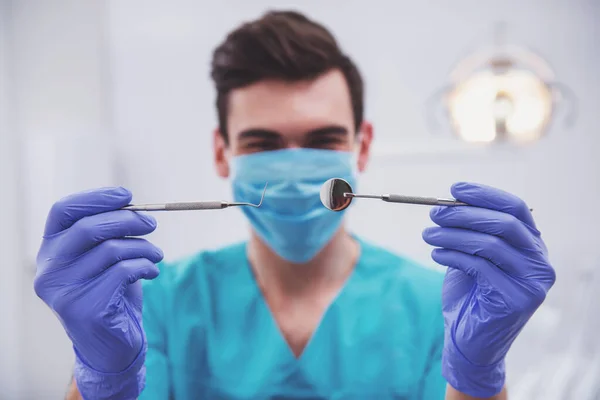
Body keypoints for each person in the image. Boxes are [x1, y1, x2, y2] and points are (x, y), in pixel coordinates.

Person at [34, 10, 556, 400]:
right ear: (223, 153)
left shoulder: (435, 307)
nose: (292, 167)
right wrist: (101, 377)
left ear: (363, 145)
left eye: (322, 140)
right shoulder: (158, 302)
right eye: (262, 143)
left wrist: (480, 374)